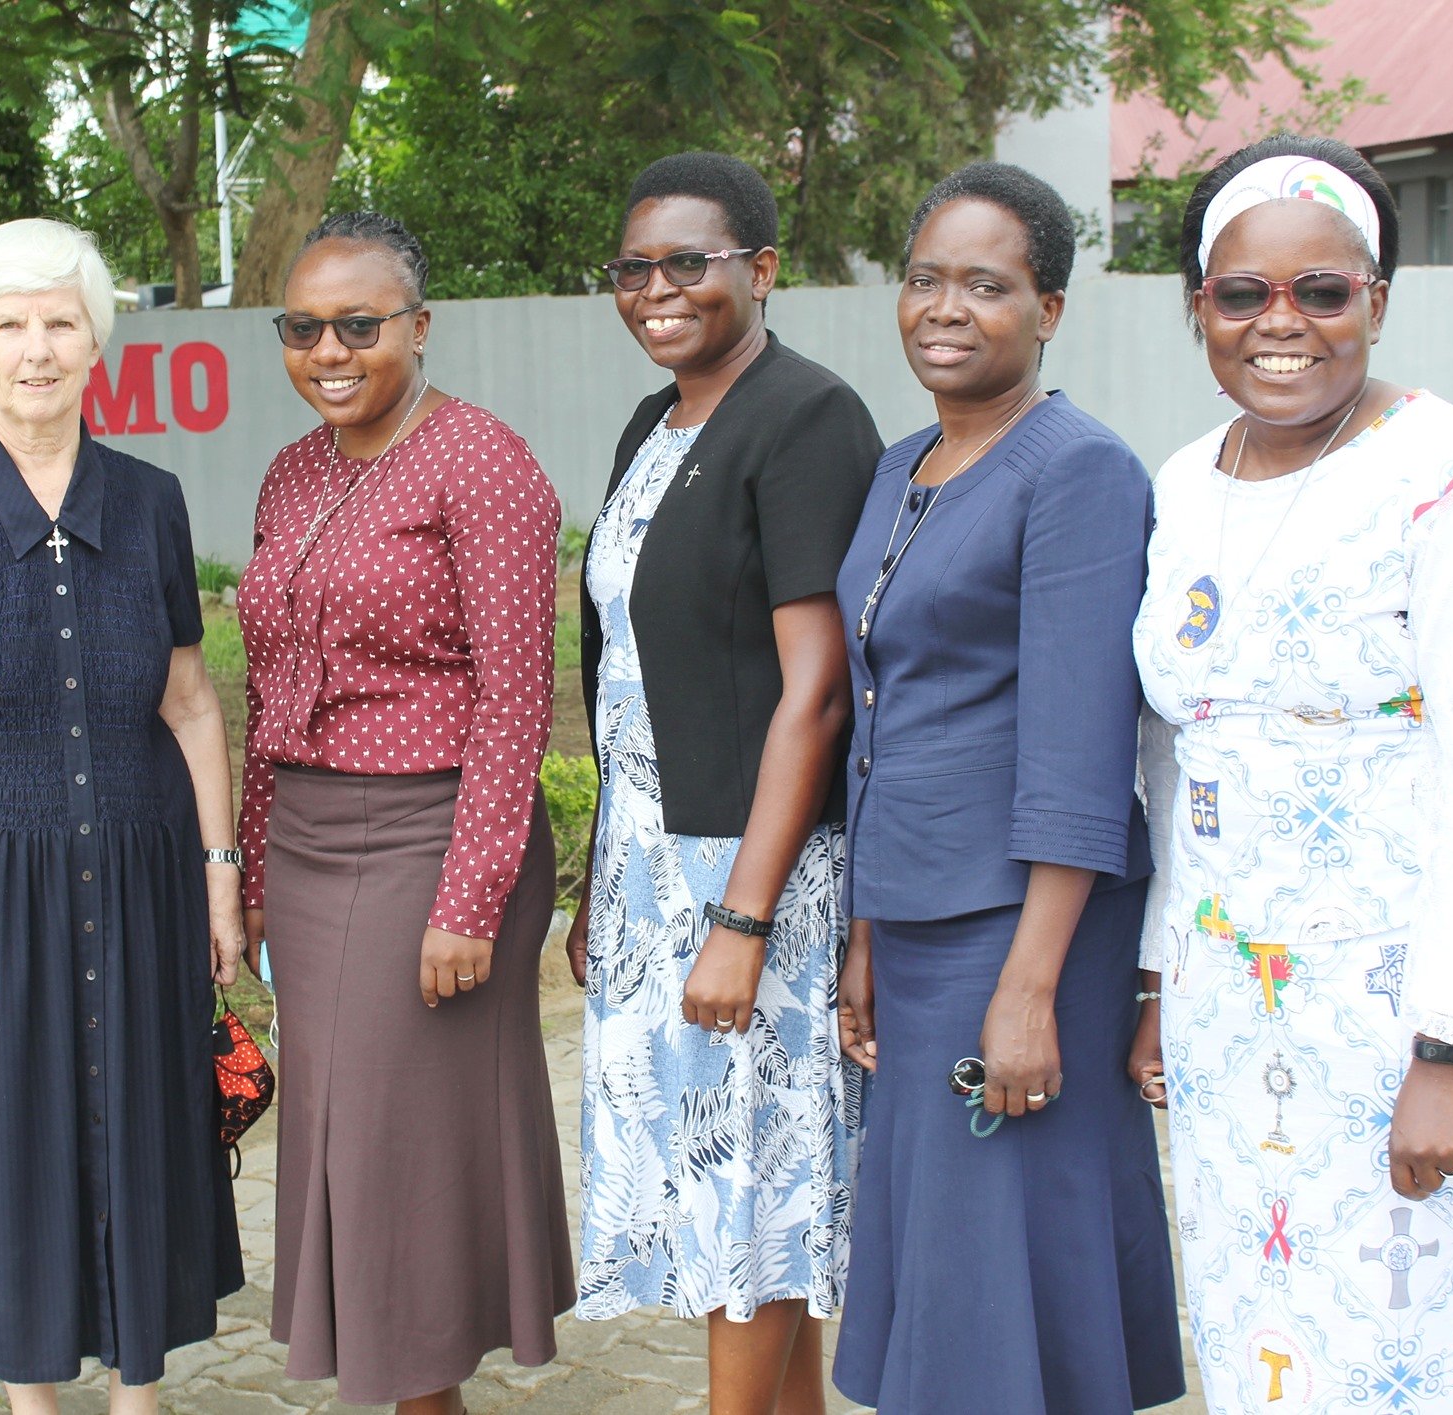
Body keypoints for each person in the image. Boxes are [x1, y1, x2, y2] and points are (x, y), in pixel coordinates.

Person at [1132, 134, 1453, 1413]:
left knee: (1423, 1353)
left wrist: (1452, 1045)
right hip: (1233, 1027)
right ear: (1196, 306)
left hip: (1402, 1022)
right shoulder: (1179, 483)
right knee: (1260, 1338)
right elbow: (1172, 760)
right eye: (1242, 293)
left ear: (1373, 301)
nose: (1283, 323)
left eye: (1321, 292)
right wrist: (1159, 975)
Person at [0, 218, 244, 1413]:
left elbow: (187, 702)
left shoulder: (153, 501)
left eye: (60, 321)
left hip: (140, 877)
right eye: (9, 324)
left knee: (141, 1119)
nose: (36, 347)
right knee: (11, 1142)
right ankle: (31, 1393)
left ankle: (139, 1385)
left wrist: (220, 878)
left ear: (95, 343)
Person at [829, 163, 1184, 1415]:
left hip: (1019, 927)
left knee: (1005, 1269)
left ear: (1048, 307)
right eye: (925, 278)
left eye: (986, 283)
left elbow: (1083, 750)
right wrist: (864, 929)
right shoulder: (900, 465)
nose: (944, 306)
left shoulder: (1078, 470)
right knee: (947, 1269)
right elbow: (881, 712)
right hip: (917, 917)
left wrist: (1029, 988)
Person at [235, 210, 571, 1414]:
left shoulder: (483, 460)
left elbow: (516, 694)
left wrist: (469, 893)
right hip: (313, 846)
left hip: (432, 837)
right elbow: (271, 688)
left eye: (359, 325)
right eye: (304, 326)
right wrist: (253, 874)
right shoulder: (291, 471)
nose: (330, 349)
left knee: (390, 1158)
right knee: (342, 1149)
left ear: (417, 328)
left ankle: (419, 1390)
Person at [566, 151, 877, 1415]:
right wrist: (605, 882)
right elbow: (631, 675)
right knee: (726, 1204)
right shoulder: (658, 419)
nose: (656, 289)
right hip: (652, 864)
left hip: (751, 871)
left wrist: (741, 921)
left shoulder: (805, 415)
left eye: (686, 263)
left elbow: (817, 687)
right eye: (633, 267)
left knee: (748, 1190)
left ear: (760, 269)